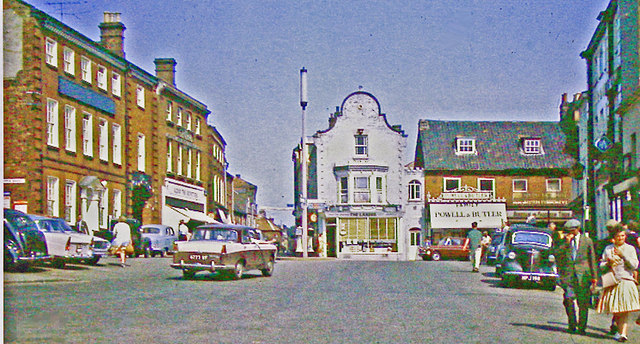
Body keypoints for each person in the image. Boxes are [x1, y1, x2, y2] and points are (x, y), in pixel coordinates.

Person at [596, 226, 640, 342]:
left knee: (625, 309)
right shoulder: (608, 249)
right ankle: (618, 329)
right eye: (618, 236)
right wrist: (608, 263)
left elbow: (635, 265)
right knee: (617, 309)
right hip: (613, 282)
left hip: (626, 280)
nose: (621, 238)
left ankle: (623, 334)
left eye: (623, 236)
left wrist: (623, 256)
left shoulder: (630, 249)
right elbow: (601, 265)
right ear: (614, 238)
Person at [554, 219, 597, 335]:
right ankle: (572, 323)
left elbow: (592, 259)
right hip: (569, 275)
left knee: (583, 303)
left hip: (583, 276)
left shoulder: (587, 241)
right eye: (568, 231)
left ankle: (582, 326)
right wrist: (566, 243)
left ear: (577, 229)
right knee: (568, 299)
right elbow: (557, 254)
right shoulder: (563, 241)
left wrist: (594, 277)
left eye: (572, 231)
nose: (570, 233)